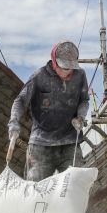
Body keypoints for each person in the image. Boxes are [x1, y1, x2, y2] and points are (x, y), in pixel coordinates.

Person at [7, 40, 90, 181]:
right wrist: (14, 122)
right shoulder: (39, 77)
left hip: (70, 143)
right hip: (40, 146)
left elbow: (84, 101)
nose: (67, 72)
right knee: (34, 189)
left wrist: (80, 117)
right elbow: (20, 101)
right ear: (54, 62)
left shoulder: (80, 75)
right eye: (64, 68)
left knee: (75, 185)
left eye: (71, 68)